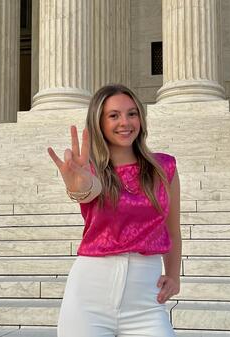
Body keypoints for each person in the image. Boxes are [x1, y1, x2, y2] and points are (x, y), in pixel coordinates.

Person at [47, 84, 181, 337]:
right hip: (89, 298)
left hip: (145, 303)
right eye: (114, 115)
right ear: (99, 122)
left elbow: (172, 231)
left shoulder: (165, 167)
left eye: (132, 113)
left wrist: (173, 276)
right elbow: (88, 190)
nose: (125, 122)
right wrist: (80, 185)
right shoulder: (90, 171)